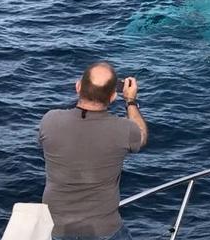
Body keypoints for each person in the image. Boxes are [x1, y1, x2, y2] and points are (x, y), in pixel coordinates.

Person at [39, 62, 148, 240]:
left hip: (59, 229)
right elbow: (141, 136)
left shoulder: (49, 120)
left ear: (78, 87)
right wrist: (130, 101)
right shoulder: (123, 130)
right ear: (113, 97)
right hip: (105, 230)